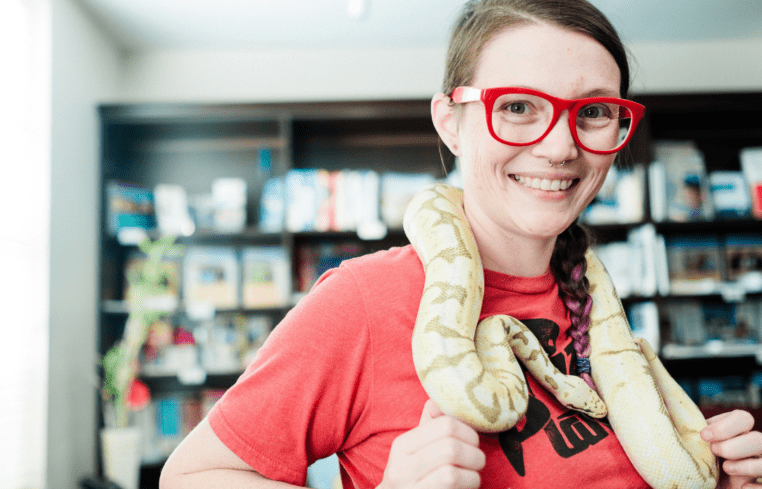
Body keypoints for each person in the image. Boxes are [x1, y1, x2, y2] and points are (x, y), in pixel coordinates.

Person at [159, 1, 762, 488]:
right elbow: (192, 477)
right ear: (450, 121)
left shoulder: (597, 300)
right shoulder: (365, 301)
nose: (560, 146)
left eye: (595, 111)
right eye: (519, 106)